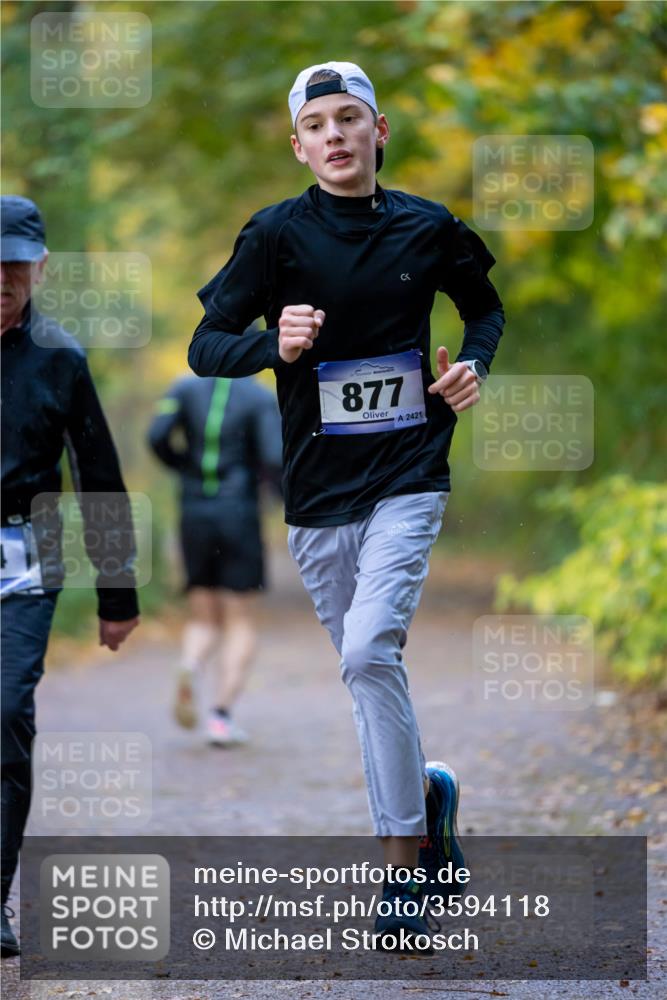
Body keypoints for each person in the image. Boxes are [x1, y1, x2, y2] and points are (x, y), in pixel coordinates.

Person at [188, 62, 505, 947]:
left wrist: (472, 364)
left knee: (368, 652)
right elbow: (205, 345)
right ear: (299, 146)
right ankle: (427, 797)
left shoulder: (428, 227)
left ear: (378, 131)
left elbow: (484, 310)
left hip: (409, 473)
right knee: (368, 677)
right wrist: (271, 345)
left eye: (348, 118)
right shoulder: (275, 236)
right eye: (316, 124)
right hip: (317, 497)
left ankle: (401, 876)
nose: (334, 135)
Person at [0, 196, 140, 957]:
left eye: (15, 263)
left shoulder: (60, 357)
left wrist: (117, 593)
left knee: (4, 713)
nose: (3, 278)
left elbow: (99, 478)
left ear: (40, 267)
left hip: (26, 550)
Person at [147, 370, 282, 745]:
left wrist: (184, 467)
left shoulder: (183, 387)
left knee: (203, 616)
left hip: (194, 510)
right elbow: (274, 456)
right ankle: (220, 717)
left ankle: (190, 664)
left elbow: (156, 437)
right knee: (240, 619)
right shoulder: (259, 396)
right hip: (239, 511)